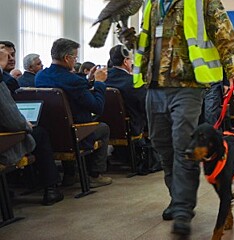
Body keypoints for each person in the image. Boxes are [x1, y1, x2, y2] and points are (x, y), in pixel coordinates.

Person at [128, 0, 234, 237]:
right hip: (154, 87)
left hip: (188, 86)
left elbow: (224, 33)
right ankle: (176, 196)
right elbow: (146, 41)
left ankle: (182, 211)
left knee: (184, 147)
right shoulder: (151, 1)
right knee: (163, 147)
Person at [35, 38, 112, 188]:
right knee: (103, 127)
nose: (75, 60)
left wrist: (88, 80)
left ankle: (70, 174)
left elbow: (66, 82)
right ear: (67, 58)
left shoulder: (40, 76)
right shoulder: (74, 81)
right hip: (76, 133)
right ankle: (95, 174)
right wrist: (100, 83)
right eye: (75, 57)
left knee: (63, 122)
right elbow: (97, 107)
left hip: (50, 133)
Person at [0, 49, 63, 205]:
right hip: (4, 143)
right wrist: (25, 125)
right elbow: (12, 121)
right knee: (40, 133)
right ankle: (51, 188)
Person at [105, 45, 147, 137]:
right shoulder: (134, 82)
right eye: (131, 60)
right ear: (125, 61)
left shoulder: (102, 79)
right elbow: (144, 105)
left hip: (106, 126)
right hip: (131, 127)